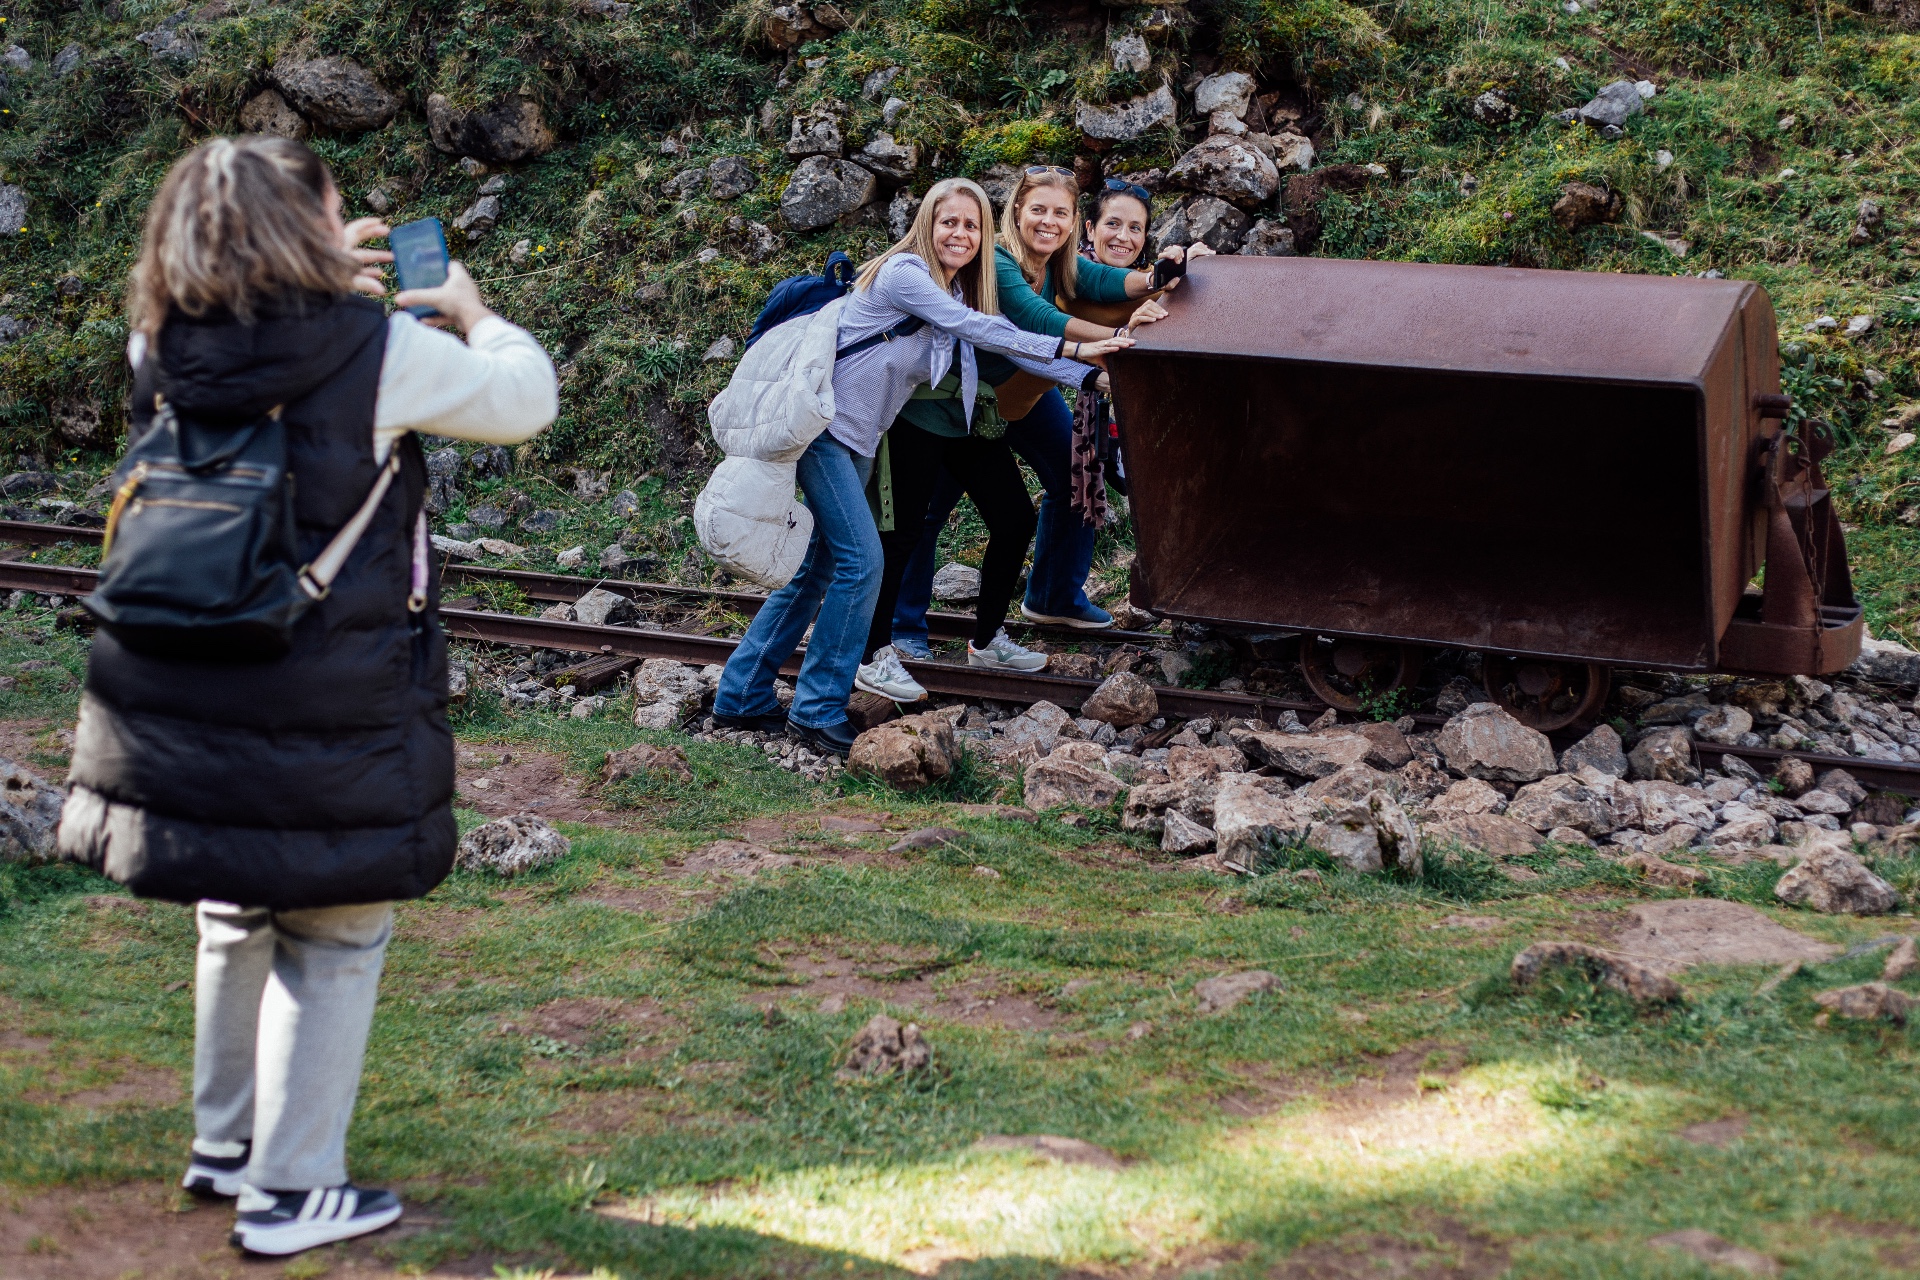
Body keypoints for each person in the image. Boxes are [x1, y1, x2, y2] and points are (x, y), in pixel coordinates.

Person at [56, 136, 558, 1258]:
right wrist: (473, 311)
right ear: (305, 227)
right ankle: (292, 1191)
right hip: (318, 685)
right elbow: (527, 399)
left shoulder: (160, 340)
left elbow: (271, 358)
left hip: (181, 678)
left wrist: (326, 285)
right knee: (335, 930)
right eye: (333, 216)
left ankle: (225, 1145)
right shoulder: (380, 350)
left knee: (234, 907)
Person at [710, 176, 1128, 756]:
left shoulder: (953, 294)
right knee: (863, 563)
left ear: (984, 236)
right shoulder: (906, 274)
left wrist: (1092, 378)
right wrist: (1079, 348)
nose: (959, 233)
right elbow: (986, 328)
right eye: (948, 222)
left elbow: (999, 348)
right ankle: (816, 708)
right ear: (927, 226)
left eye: (971, 224)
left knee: (818, 573)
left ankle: (740, 696)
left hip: (856, 441)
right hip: (824, 434)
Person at [888, 172, 1196, 655]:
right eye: (1038, 210)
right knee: (928, 514)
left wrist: (1158, 276)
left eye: (1059, 213)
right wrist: (1108, 345)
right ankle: (902, 627)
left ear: (1075, 223)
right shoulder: (996, 260)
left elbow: (1108, 280)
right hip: (966, 405)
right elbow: (1036, 319)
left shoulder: (1062, 263)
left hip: (1024, 400)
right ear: (1016, 212)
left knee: (1072, 480)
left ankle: (1053, 597)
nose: (1048, 222)